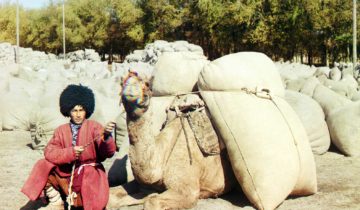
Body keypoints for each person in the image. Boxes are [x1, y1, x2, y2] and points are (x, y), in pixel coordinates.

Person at [21, 84, 117, 210]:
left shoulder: (95, 127)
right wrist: (70, 153)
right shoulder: (61, 131)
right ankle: (56, 201)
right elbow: (49, 152)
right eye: (74, 110)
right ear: (68, 111)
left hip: (89, 175)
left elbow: (108, 152)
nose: (78, 115)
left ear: (87, 110)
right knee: (43, 165)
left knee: (89, 203)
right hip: (66, 173)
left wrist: (107, 136)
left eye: (81, 110)